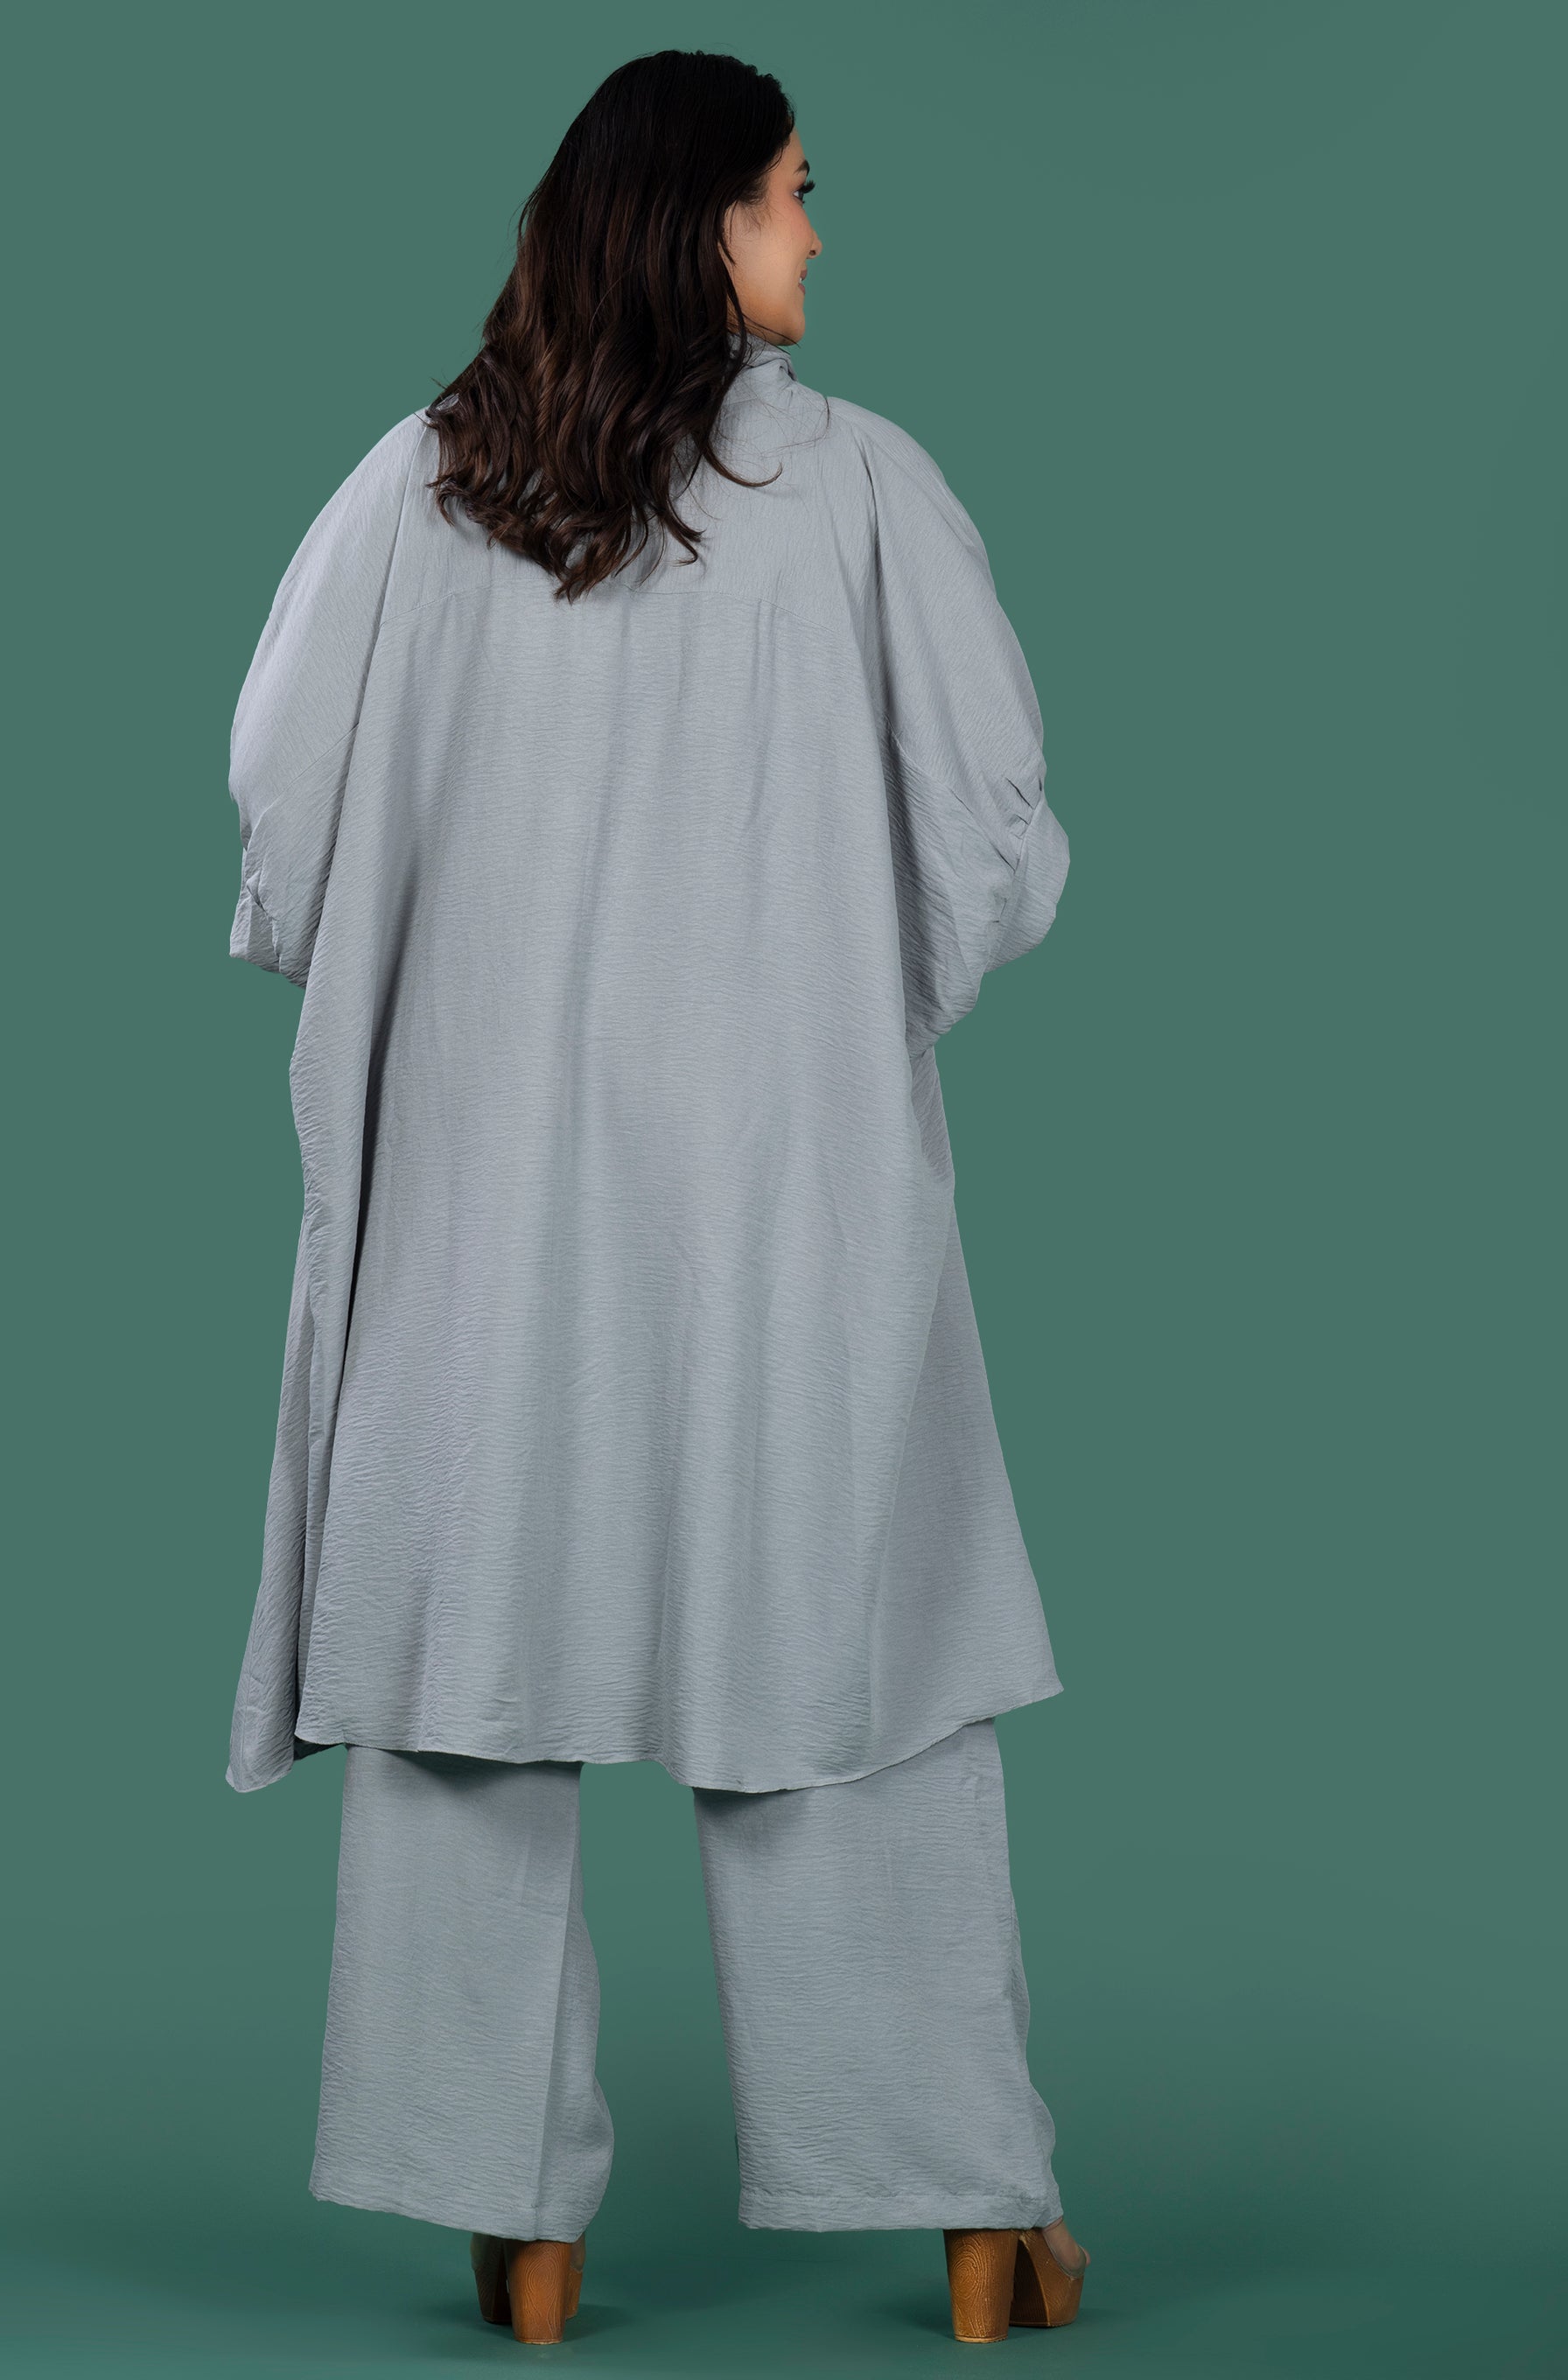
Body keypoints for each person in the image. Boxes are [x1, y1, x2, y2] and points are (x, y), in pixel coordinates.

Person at [221, 47, 1088, 2348]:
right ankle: (969, 2204)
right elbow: (992, 840)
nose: (816, 236)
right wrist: (832, 1005)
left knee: (471, 1688)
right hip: (789, 1209)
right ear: (703, 221)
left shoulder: (419, 485)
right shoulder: (865, 489)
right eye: (792, 195)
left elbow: (282, 813)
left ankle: (507, 2219)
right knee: (847, 1673)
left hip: (481, 1220)